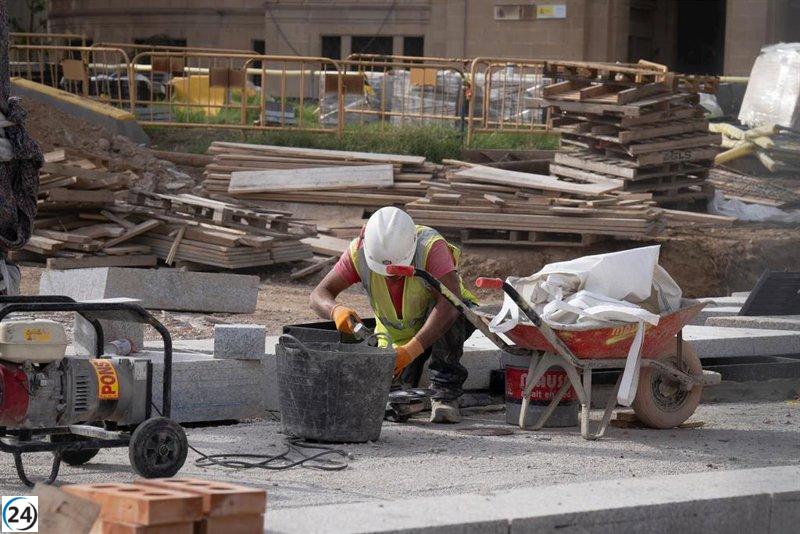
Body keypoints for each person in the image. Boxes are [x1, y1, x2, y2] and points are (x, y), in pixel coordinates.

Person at [310, 207, 477, 423]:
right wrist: (335, 310)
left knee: (456, 306)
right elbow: (318, 295)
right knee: (394, 401)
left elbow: (449, 304)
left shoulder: (429, 247)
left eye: (397, 273)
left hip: (443, 321)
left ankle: (445, 394)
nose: (390, 279)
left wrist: (413, 349)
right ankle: (411, 394)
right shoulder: (359, 251)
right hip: (397, 335)